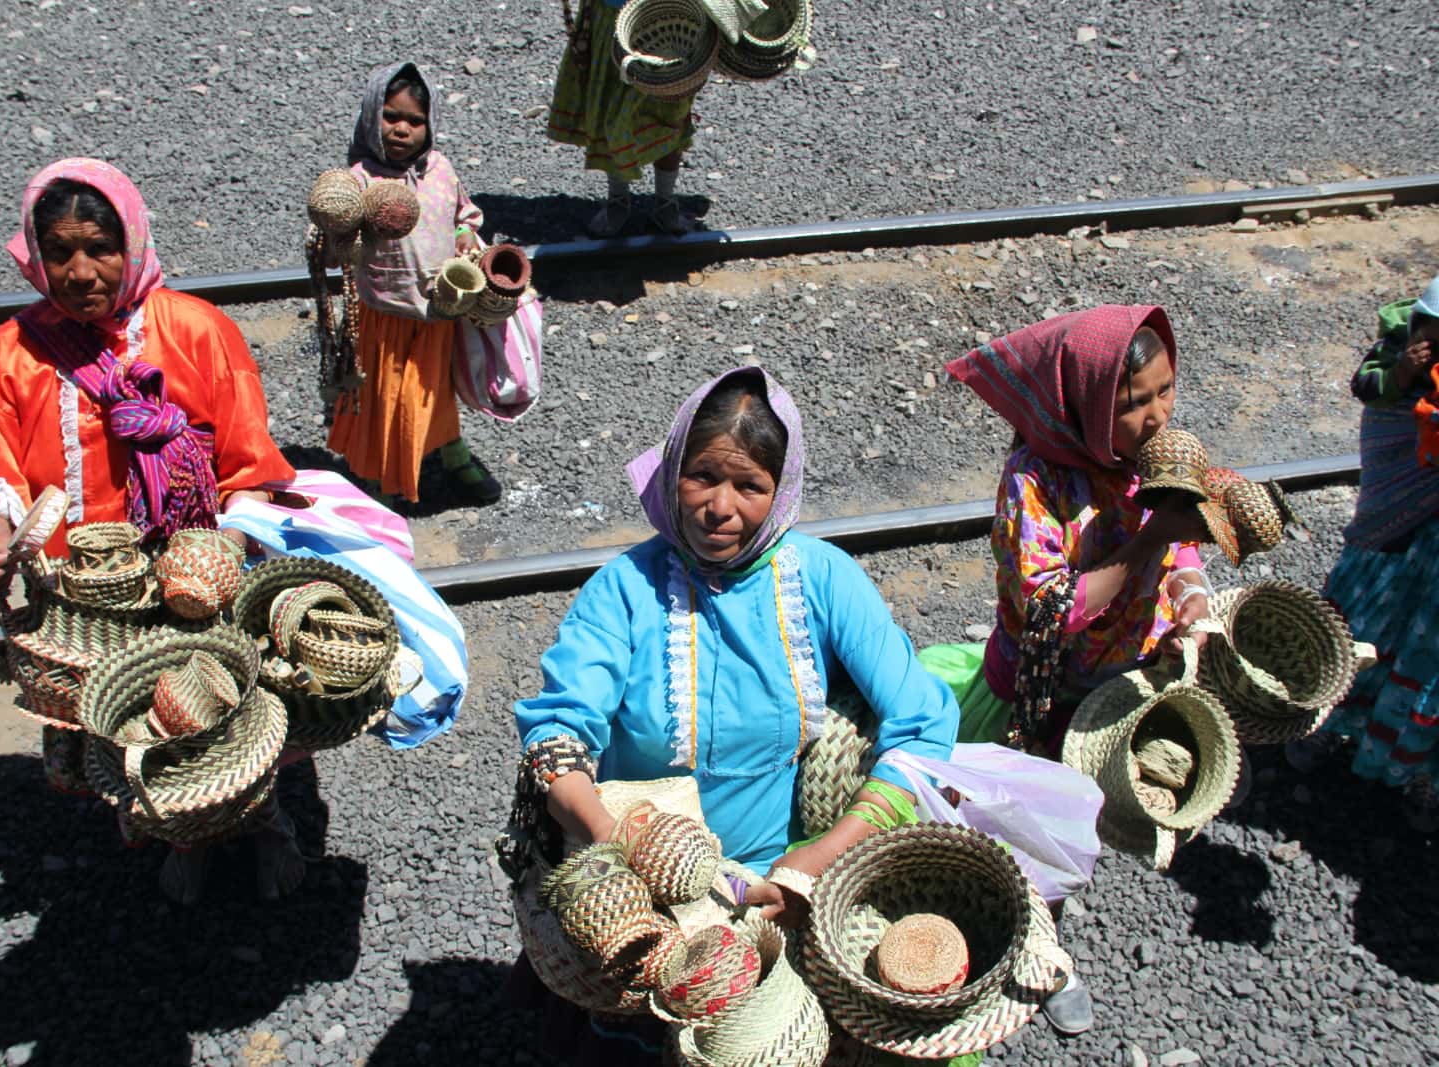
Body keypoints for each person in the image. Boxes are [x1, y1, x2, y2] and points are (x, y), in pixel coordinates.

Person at [508, 366, 962, 1063]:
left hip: (776, 889)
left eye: (749, 485)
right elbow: (558, 734)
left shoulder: (823, 578)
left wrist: (817, 861)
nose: (720, 506)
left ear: (781, 493)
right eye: (701, 476)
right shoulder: (623, 590)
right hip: (639, 895)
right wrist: (618, 844)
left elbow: (923, 722)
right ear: (671, 473)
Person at [0, 157, 304, 903]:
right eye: (60, 252)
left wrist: (213, 561)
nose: (80, 271)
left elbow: (249, 466)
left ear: (132, 242)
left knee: (216, 716)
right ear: (34, 256)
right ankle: (181, 835)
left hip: (195, 577)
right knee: (135, 735)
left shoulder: (198, 333)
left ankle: (266, 825)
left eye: (99, 246)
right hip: (86, 604)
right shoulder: (10, 356)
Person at [933, 304, 1214, 1034]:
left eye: (1165, 391)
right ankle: (1039, 946)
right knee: (1029, 834)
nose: (1157, 416)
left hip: (1119, 686)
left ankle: (1039, 923)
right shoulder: (1036, 478)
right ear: (1086, 404)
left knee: (1074, 828)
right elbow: (1047, 607)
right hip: (1047, 697)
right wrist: (1153, 543)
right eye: (1133, 404)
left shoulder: (1141, 464)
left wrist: (1193, 601)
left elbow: (1184, 544)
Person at [1296, 274, 1439, 831]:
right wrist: (1404, 373)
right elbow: (1367, 388)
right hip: (1389, 529)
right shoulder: (1392, 357)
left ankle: (1413, 765)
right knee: (1358, 625)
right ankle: (1327, 725)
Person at [325, 61, 501, 510]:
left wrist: (465, 236)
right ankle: (385, 477)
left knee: (435, 390)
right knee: (388, 398)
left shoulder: (440, 170)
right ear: (371, 117)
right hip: (385, 316)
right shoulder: (359, 180)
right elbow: (334, 245)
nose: (402, 129)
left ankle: (450, 451)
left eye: (415, 121)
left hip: (439, 310)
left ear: (430, 125)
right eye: (391, 116)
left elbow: (465, 214)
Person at [549, 0, 702, 236]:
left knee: (672, 106)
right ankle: (618, 200)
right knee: (611, 107)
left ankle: (665, 202)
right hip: (614, 14)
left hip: (672, 12)